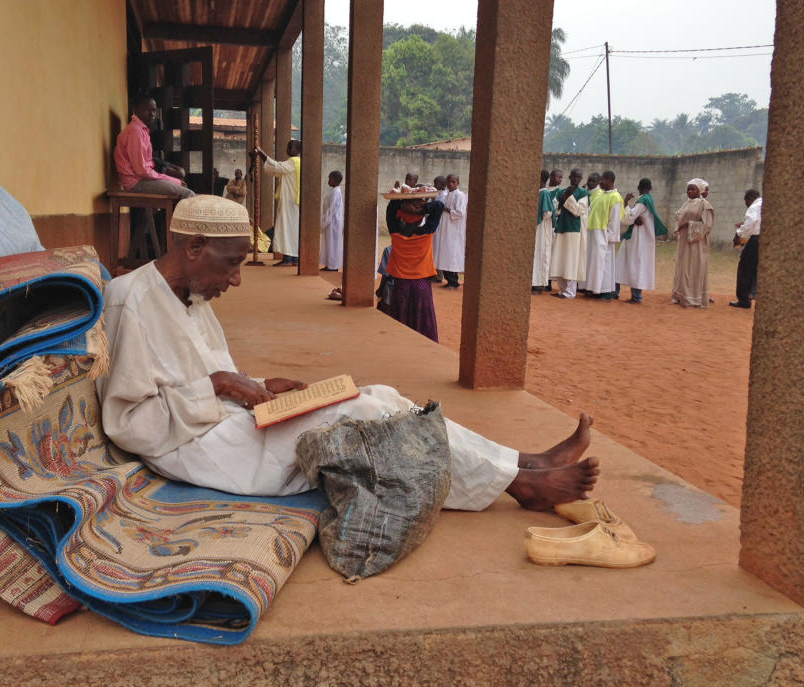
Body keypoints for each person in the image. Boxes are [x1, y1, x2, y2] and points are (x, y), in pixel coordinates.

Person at [98, 195, 600, 515]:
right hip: (199, 449)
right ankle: (519, 485)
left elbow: (207, 370)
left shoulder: (191, 294)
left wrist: (259, 385)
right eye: (230, 265)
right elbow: (131, 423)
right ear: (193, 246)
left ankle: (519, 462)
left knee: (379, 395)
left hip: (225, 420)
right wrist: (223, 386)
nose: (235, 280)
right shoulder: (131, 300)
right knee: (363, 418)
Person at [384, 194, 444, 341]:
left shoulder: (396, 234)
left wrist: (403, 203)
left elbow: (391, 209)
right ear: (420, 220)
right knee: (423, 322)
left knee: (401, 319)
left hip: (401, 284)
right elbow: (439, 206)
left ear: (402, 218)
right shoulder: (426, 234)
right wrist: (419, 209)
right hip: (421, 285)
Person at [114, 94, 194, 200]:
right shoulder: (135, 132)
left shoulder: (141, 130)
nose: (152, 114)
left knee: (182, 190)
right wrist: (172, 180)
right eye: (147, 110)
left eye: (154, 111)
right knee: (188, 194)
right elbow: (141, 169)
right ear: (136, 110)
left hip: (142, 179)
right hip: (136, 183)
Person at [615, 178, 667, 304]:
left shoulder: (643, 200)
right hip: (639, 237)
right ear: (650, 188)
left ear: (639, 187)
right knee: (627, 263)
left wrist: (626, 202)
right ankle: (619, 292)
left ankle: (635, 296)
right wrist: (635, 217)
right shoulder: (648, 199)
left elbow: (630, 218)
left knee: (634, 264)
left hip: (638, 238)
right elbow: (635, 217)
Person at [254, 140, 301, 266]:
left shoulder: (293, 162)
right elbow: (277, 169)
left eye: (290, 147)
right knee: (292, 229)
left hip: (289, 202)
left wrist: (261, 153)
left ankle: (289, 258)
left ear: (297, 150)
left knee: (287, 228)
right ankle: (293, 258)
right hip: (294, 202)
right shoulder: (300, 162)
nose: (288, 149)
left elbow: (276, 167)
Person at [671, 179, 715, 308]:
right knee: (683, 267)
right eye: (688, 189)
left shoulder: (704, 205)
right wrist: (681, 223)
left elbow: (707, 225)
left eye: (693, 189)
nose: (689, 191)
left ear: (699, 190)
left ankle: (693, 298)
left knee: (693, 268)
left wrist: (688, 224)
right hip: (685, 240)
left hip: (696, 243)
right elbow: (679, 215)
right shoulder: (687, 204)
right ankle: (680, 295)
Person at [549, 169, 589, 299]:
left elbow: (578, 211)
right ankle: (563, 289)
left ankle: (570, 292)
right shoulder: (561, 191)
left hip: (574, 231)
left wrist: (569, 197)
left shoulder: (584, 193)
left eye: (579, 177)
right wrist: (565, 197)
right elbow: (558, 208)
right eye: (574, 176)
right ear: (570, 177)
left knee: (571, 260)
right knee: (560, 258)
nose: (576, 179)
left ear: (581, 178)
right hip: (561, 228)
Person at [584, 171, 624, 300]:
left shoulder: (615, 197)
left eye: (602, 180)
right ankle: (594, 288)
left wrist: (609, 236)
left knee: (604, 263)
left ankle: (605, 291)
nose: (600, 182)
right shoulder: (601, 195)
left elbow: (615, 219)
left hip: (603, 235)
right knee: (593, 262)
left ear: (609, 180)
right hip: (593, 232)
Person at [434, 174, 467, 289]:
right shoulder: (447, 194)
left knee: (452, 255)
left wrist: (446, 209)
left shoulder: (460, 195)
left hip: (454, 231)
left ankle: (454, 281)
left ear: (458, 183)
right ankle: (449, 280)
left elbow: (460, 212)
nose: (450, 184)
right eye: (449, 182)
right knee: (445, 255)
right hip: (445, 230)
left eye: (453, 182)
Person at [730, 189, 762, 309]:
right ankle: (752, 292)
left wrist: (739, 233)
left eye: (746, 201)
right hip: (765, 240)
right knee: (756, 269)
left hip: (755, 240)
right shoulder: (765, 204)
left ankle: (744, 300)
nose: (746, 205)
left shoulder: (753, 207)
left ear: (750, 198)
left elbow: (752, 222)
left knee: (744, 268)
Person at [533, 169, 562, 293]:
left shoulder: (544, 193)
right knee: (536, 254)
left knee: (541, 254)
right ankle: (535, 282)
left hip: (543, 228)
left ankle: (539, 284)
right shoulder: (541, 192)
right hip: (538, 229)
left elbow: (548, 213)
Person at [320, 170, 344, 272]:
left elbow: (331, 209)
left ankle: (333, 266)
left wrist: (323, 221)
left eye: (329, 179)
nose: (328, 181)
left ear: (334, 180)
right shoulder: (334, 191)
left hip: (333, 222)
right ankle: (330, 264)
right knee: (329, 244)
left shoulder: (336, 192)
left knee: (333, 244)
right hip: (331, 222)